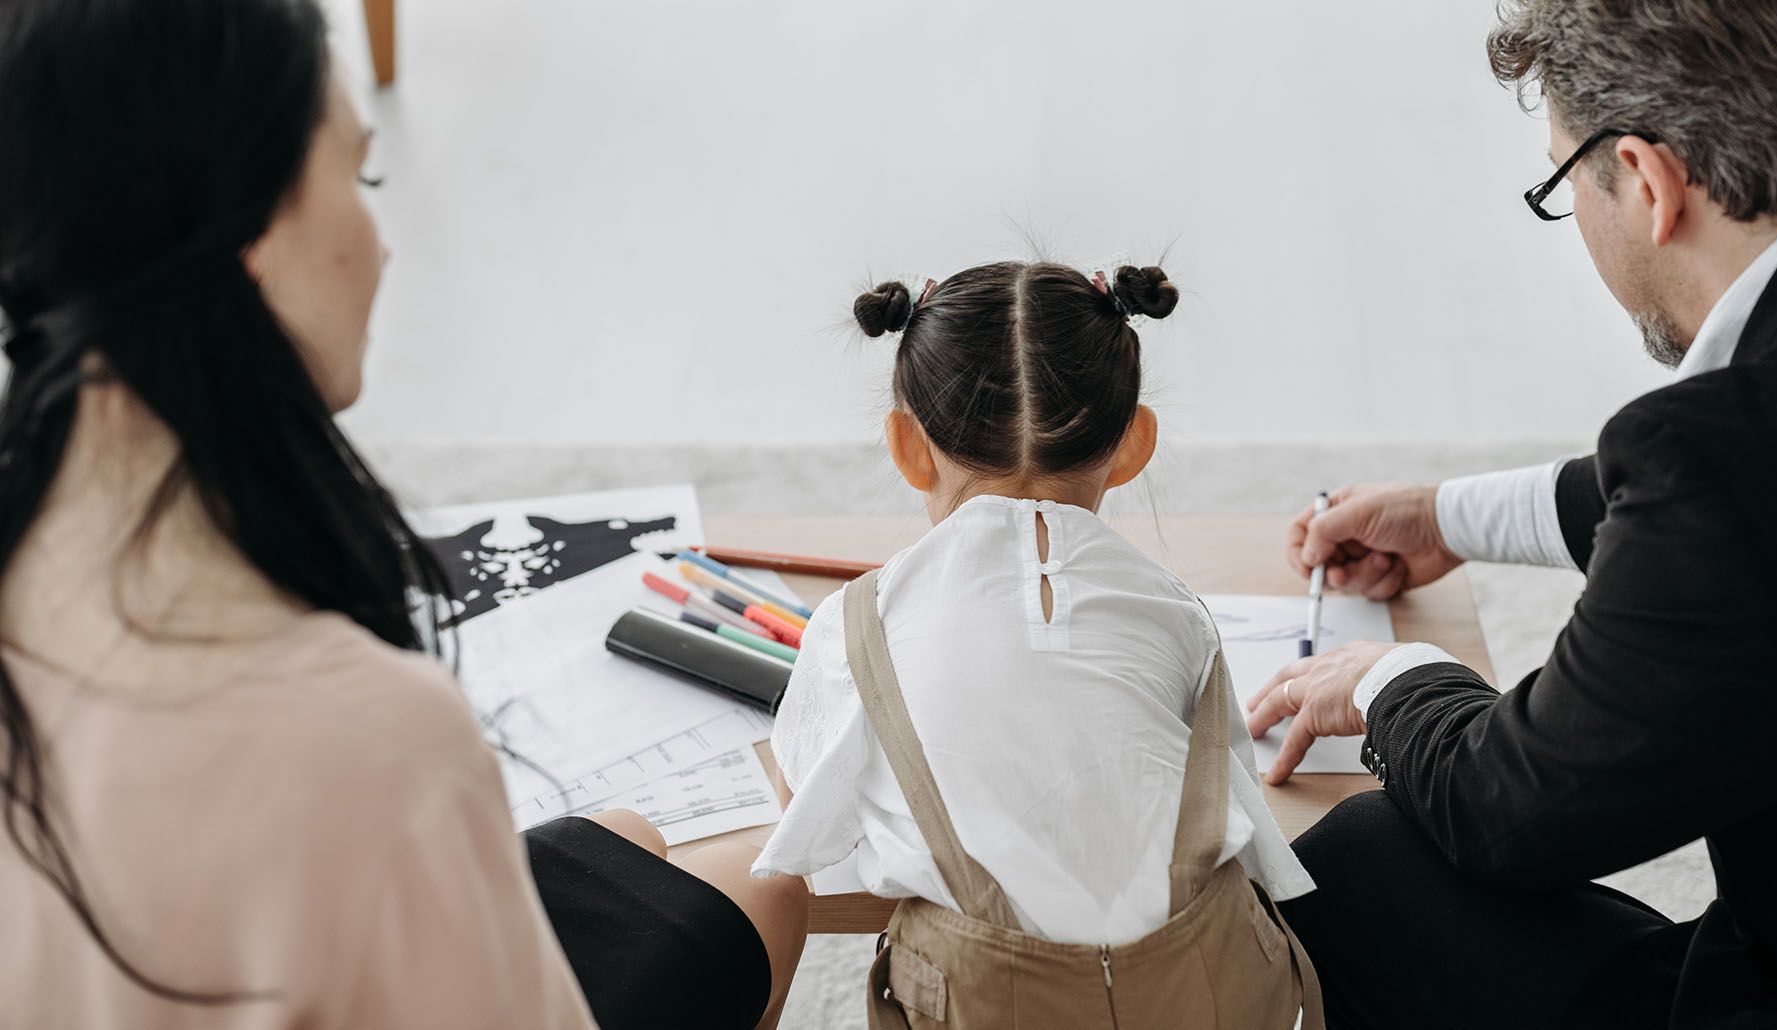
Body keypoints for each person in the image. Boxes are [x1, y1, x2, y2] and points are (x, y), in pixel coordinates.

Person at [0, 1, 804, 1027]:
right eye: (361, 178)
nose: (381, 247)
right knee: (766, 885)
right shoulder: (373, 735)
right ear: (253, 235)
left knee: (629, 836)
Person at [1244, 1, 1777, 1026]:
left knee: (1356, 861)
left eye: (1563, 179)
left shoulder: (1737, 464)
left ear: (1646, 182)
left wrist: (1389, 680)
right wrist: (1448, 515)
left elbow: (1512, 811)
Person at [751, 264, 1321, 1026]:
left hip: (985, 1000)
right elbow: (1230, 810)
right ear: (1134, 444)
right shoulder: (1177, 611)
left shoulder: (859, 621)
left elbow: (808, 813)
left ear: (906, 447)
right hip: (1205, 992)